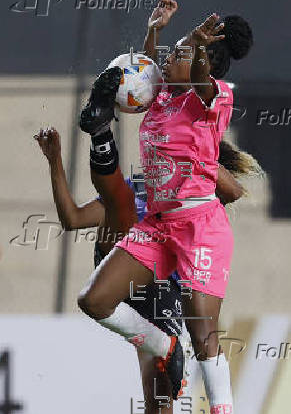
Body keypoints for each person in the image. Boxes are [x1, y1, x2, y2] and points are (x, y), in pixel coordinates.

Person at [76, 0, 254, 413]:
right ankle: (160, 343)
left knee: (204, 332)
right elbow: (145, 74)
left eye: (179, 54)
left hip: (199, 226)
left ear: (202, 64)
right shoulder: (163, 95)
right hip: (158, 226)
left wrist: (193, 45)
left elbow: (197, 75)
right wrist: (156, 31)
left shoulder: (211, 100)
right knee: (94, 301)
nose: (166, 59)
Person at [34, 126, 246, 413]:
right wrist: (54, 160)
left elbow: (233, 191)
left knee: (158, 397)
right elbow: (72, 218)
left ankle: (165, 348)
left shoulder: (201, 187)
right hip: (123, 265)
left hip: (163, 290)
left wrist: (197, 153)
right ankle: (101, 139)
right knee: (120, 204)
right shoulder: (139, 187)